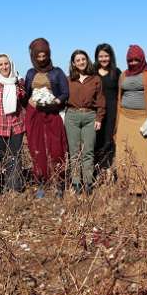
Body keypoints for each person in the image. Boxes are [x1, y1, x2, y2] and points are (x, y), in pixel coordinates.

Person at [24, 38, 69, 199]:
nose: (42, 59)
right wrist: (28, 101)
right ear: (34, 57)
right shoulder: (30, 73)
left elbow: (65, 93)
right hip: (34, 114)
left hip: (52, 113)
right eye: (39, 56)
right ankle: (41, 181)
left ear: (49, 55)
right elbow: (25, 93)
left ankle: (59, 182)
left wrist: (55, 102)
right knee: (37, 148)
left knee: (56, 148)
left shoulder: (57, 72)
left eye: (44, 56)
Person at [115, 44, 147, 194]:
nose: (133, 62)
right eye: (130, 60)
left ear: (142, 59)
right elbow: (120, 97)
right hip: (125, 118)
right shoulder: (123, 75)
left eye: (136, 59)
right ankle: (127, 185)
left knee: (146, 152)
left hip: (142, 118)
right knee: (124, 150)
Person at [64, 50, 105, 194]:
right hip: (72, 116)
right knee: (74, 152)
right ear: (73, 63)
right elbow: (62, 97)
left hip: (90, 116)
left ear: (87, 60)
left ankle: (88, 182)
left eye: (83, 59)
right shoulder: (68, 80)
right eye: (78, 60)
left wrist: (99, 118)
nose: (81, 62)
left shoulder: (95, 79)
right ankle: (76, 182)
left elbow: (100, 100)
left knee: (88, 151)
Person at [0, 53, 27, 192]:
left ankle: (15, 187)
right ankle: (4, 184)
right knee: (2, 157)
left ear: (11, 64)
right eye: (1, 64)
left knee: (15, 157)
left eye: (6, 63)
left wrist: (22, 90)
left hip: (16, 125)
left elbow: (24, 101)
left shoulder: (18, 81)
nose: (4, 67)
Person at [93, 44, 121, 174]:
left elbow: (122, 93)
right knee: (96, 139)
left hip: (112, 111)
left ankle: (108, 170)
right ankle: (96, 170)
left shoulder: (117, 72)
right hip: (96, 111)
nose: (103, 59)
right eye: (101, 56)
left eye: (106, 56)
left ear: (111, 56)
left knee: (109, 140)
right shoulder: (92, 71)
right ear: (96, 57)